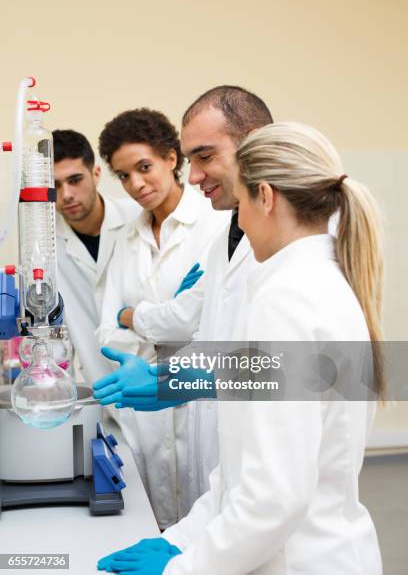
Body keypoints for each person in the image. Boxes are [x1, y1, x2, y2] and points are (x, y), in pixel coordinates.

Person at [97, 122, 384, 574]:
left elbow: (274, 497)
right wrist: (184, 540)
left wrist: (183, 569)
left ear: (264, 197)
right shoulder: (321, 282)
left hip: (297, 560)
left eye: (243, 203)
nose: (240, 222)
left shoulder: (285, 299)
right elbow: (244, 472)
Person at [94, 86, 274, 503]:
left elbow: (327, 370)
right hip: (223, 471)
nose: (194, 177)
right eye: (124, 175)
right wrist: (176, 373)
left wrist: (140, 324)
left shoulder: (297, 245)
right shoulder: (224, 241)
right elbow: (201, 329)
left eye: (205, 157)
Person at [96, 108, 229, 530]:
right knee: (156, 523)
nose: (136, 184)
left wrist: (132, 316)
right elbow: (107, 333)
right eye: (123, 176)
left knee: (208, 518)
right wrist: (159, 322)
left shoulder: (215, 223)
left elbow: (190, 323)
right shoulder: (126, 239)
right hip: (147, 417)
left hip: (197, 402)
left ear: (172, 159)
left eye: (144, 167)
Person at [53, 130, 139, 384]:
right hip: (100, 389)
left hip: (155, 379)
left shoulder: (138, 218)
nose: (66, 194)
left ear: (96, 174)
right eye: (55, 185)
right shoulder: (45, 246)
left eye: (75, 179)